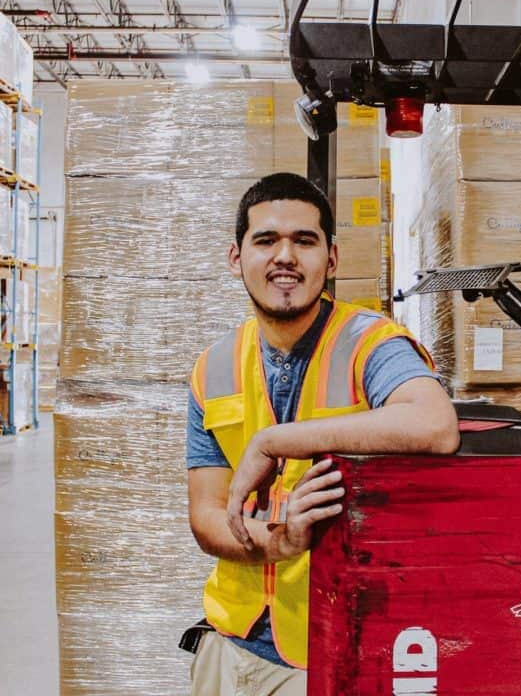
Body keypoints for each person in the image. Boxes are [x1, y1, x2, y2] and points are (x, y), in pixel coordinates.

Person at [184, 172, 459, 695]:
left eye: (304, 241)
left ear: (330, 259)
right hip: (229, 644)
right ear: (235, 257)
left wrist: (277, 441)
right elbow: (205, 513)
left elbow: (434, 423)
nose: (284, 256)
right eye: (265, 240)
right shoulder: (213, 368)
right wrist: (276, 543)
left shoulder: (370, 343)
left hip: (334, 650)